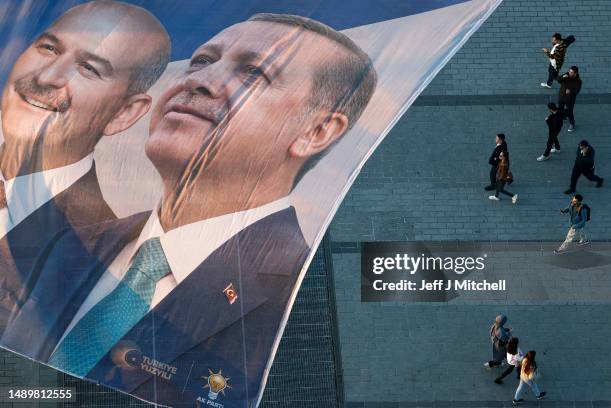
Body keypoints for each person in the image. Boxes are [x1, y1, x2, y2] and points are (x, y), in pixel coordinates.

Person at [1, 14, 377, 408]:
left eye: (253, 73)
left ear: (317, 132)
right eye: (201, 60)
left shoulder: (302, 302)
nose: (197, 80)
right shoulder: (71, 243)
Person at [0, 1, 170, 324]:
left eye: (89, 68)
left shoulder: (101, 259)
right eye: (49, 48)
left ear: (124, 113)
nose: (47, 76)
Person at [556, 66, 582, 132]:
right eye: (569, 71)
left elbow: (577, 91)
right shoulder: (566, 75)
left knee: (569, 112)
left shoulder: (578, 81)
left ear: (575, 73)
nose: (569, 73)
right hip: (562, 96)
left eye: (571, 72)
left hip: (570, 99)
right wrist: (562, 76)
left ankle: (572, 124)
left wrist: (570, 91)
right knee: (560, 108)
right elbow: (558, 80)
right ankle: (563, 117)